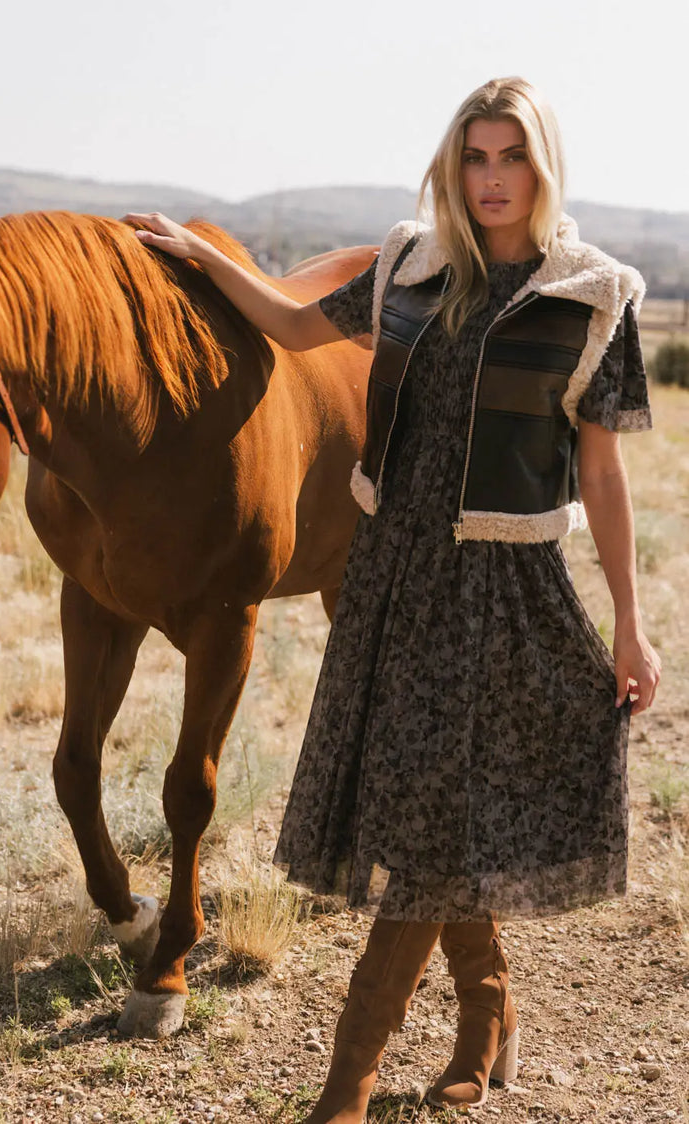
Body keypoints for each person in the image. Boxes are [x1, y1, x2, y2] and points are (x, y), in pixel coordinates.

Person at [126, 75, 661, 1122]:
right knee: (431, 821)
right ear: (453, 165)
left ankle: (345, 1089)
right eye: (476, 156)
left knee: (429, 833)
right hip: (387, 581)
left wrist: (632, 622)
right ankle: (487, 1014)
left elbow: (601, 472)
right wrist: (200, 256)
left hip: (503, 592)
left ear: (541, 168)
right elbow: (287, 323)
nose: (493, 177)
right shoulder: (408, 268)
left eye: (513, 157)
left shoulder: (593, 296)